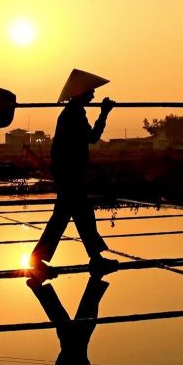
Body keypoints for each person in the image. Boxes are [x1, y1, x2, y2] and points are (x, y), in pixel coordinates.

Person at [30, 69, 120, 279]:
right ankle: (37, 259)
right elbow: (92, 137)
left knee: (82, 216)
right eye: (91, 91)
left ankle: (95, 258)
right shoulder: (74, 114)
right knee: (66, 217)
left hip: (70, 173)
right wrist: (105, 114)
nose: (94, 95)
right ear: (82, 93)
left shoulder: (74, 112)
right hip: (70, 175)